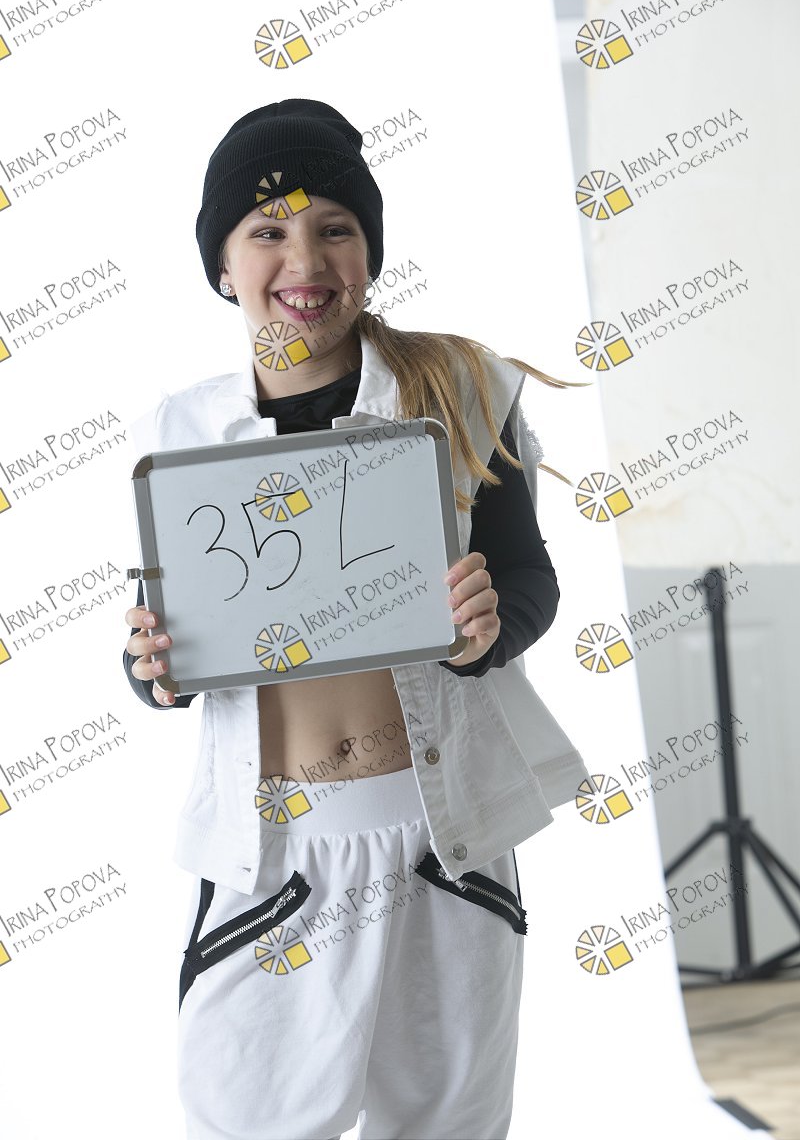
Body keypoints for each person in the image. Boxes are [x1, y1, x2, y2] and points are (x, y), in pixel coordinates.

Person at [122, 98, 590, 1140]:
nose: (305, 260)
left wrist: (487, 633)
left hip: (442, 839)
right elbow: (164, 640)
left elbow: (527, 579)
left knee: (448, 1123)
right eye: (267, 231)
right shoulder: (179, 431)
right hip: (275, 853)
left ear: (369, 250)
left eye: (334, 227)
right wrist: (149, 667)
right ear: (222, 265)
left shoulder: (462, 389)